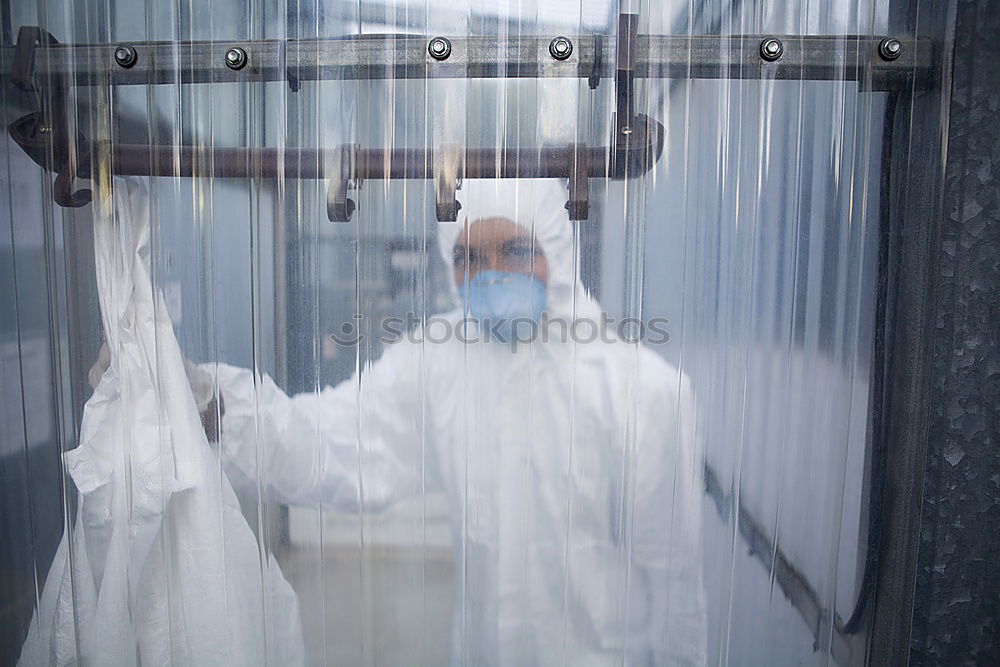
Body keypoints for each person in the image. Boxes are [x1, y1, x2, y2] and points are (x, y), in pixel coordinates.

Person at [194, 179, 705, 665]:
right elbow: (335, 439)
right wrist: (217, 409)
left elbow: (676, 588)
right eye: (469, 257)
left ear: (558, 252)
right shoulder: (438, 360)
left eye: (517, 250)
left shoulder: (641, 393)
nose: (492, 273)